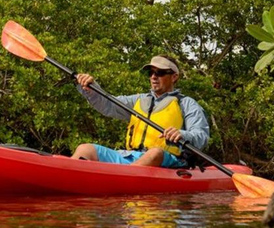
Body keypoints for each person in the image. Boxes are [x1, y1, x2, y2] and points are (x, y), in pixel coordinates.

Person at [71, 55, 209, 168]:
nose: (154, 77)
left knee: (155, 153)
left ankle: (121, 182)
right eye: (151, 73)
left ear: (174, 77)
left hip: (167, 159)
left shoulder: (187, 104)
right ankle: (68, 177)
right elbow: (107, 104)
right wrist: (90, 87)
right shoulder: (138, 100)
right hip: (130, 156)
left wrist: (181, 134)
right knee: (85, 149)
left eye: (159, 73)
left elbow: (201, 136)